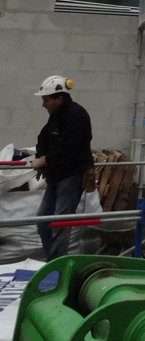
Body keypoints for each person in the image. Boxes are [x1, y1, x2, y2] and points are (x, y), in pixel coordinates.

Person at [32, 76, 93, 261]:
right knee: (43, 220)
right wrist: (40, 156)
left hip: (71, 176)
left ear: (59, 98)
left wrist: (45, 161)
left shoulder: (76, 115)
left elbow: (68, 150)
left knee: (60, 222)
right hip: (56, 176)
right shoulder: (56, 116)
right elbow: (43, 137)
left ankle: (57, 263)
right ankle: (53, 259)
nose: (43, 105)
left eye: (46, 100)